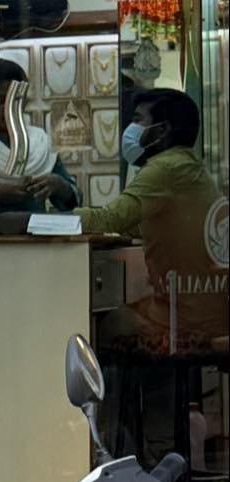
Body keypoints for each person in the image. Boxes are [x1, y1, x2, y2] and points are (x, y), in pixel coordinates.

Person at [81, 89, 227, 351]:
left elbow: (109, 220)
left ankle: (111, 394)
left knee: (98, 327)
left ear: (162, 130)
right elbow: (146, 224)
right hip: (215, 317)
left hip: (182, 323)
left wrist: (50, 218)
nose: (131, 129)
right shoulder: (191, 167)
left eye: (138, 120)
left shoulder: (165, 168)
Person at [0, 58, 79, 212]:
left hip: (36, 233)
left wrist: (59, 186)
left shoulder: (38, 144)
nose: (8, 109)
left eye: (15, 101)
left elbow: (74, 200)